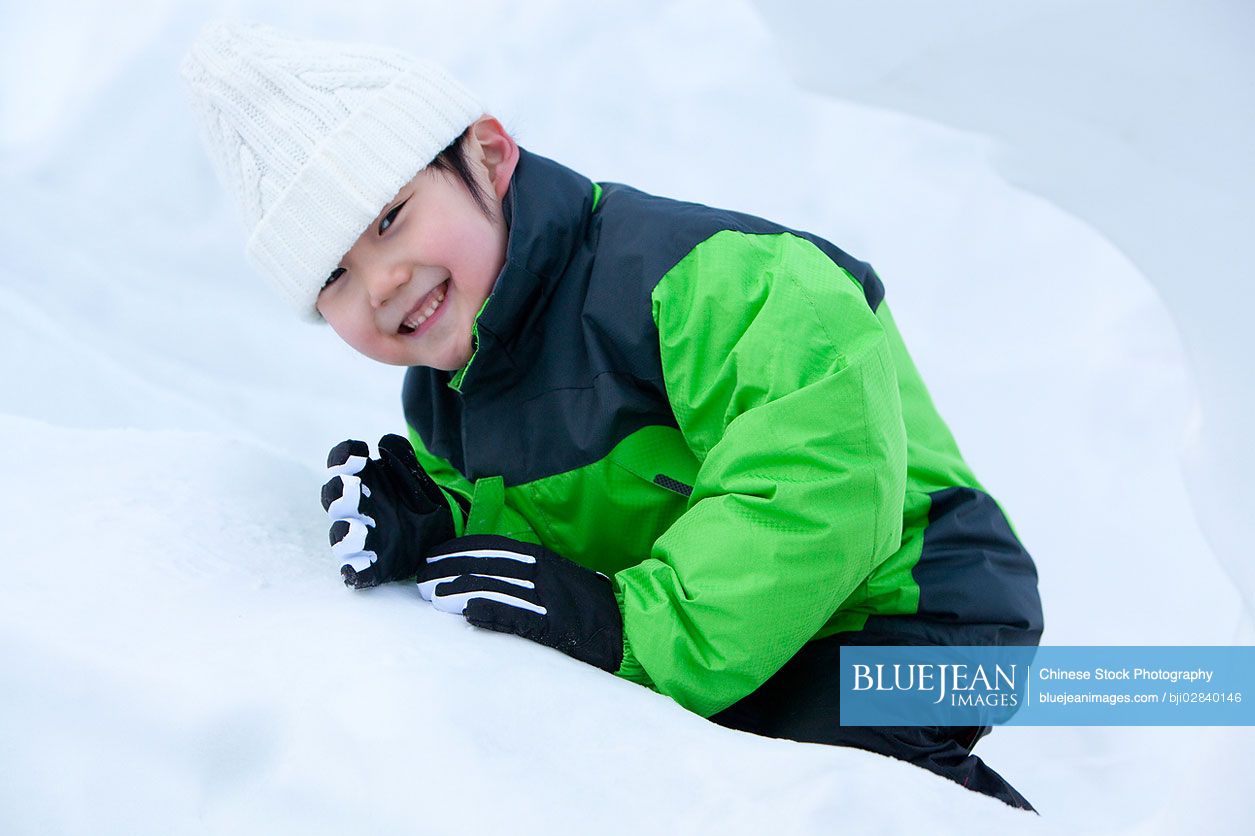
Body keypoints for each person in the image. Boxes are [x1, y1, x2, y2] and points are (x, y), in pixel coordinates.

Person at [180, 20, 1044, 812]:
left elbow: (817, 488)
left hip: (916, 611)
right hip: (732, 646)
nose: (383, 281)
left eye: (392, 218)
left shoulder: (717, 281)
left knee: (815, 781)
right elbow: (549, 542)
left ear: (488, 154)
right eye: (334, 275)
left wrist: (624, 624)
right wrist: (433, 519)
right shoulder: (449, 397)